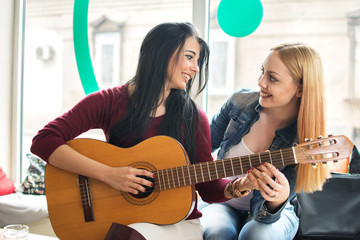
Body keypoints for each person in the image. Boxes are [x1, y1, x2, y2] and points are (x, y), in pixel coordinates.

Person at [30, 22, 234, 240]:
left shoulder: (193, 116)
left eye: (197, 61)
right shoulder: (109, 102)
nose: (195, 68)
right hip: (125, 220)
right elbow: (43, 140)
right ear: (162, 53)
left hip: (179, 222)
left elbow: (208, 186)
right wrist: (109, 175)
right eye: (190, 57)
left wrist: (238, 186)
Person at [198, 42, 332, 240]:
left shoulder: (305, 140)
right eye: (262, 72)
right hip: (222, 202)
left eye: (272, 78)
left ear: (301, 89)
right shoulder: (238, 103)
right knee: (218, 232)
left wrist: (277, 200)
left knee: (256, 235)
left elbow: (267, 216)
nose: (260, 82)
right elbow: (200, 150)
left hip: (272, 214)